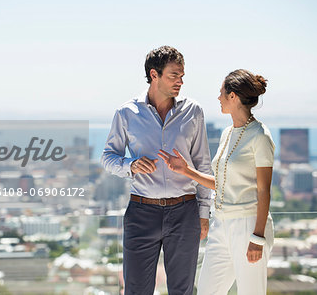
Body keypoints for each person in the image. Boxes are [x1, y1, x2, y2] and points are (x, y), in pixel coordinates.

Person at [101, 45, 212, 295]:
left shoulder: (193, 112)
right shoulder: (127, 113)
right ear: (154, 75)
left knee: (182, 291)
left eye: (182, 76)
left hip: (185, 212)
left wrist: (203, 214)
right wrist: (130, 165)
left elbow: (203, 164)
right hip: (142, 213)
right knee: (136, 291)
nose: (180, 82)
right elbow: (108, 157)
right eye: (174, 75)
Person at [158, 69, 275, 295]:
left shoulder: (260, 136)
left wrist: (257, 238)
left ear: (233, 96)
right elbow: (224, 183)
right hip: (221, 224)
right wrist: (186, 170)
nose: (218, 98)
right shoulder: (227, 134)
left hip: (248, 225)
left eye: (221, 93)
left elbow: (264, 191)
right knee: (207, 291)